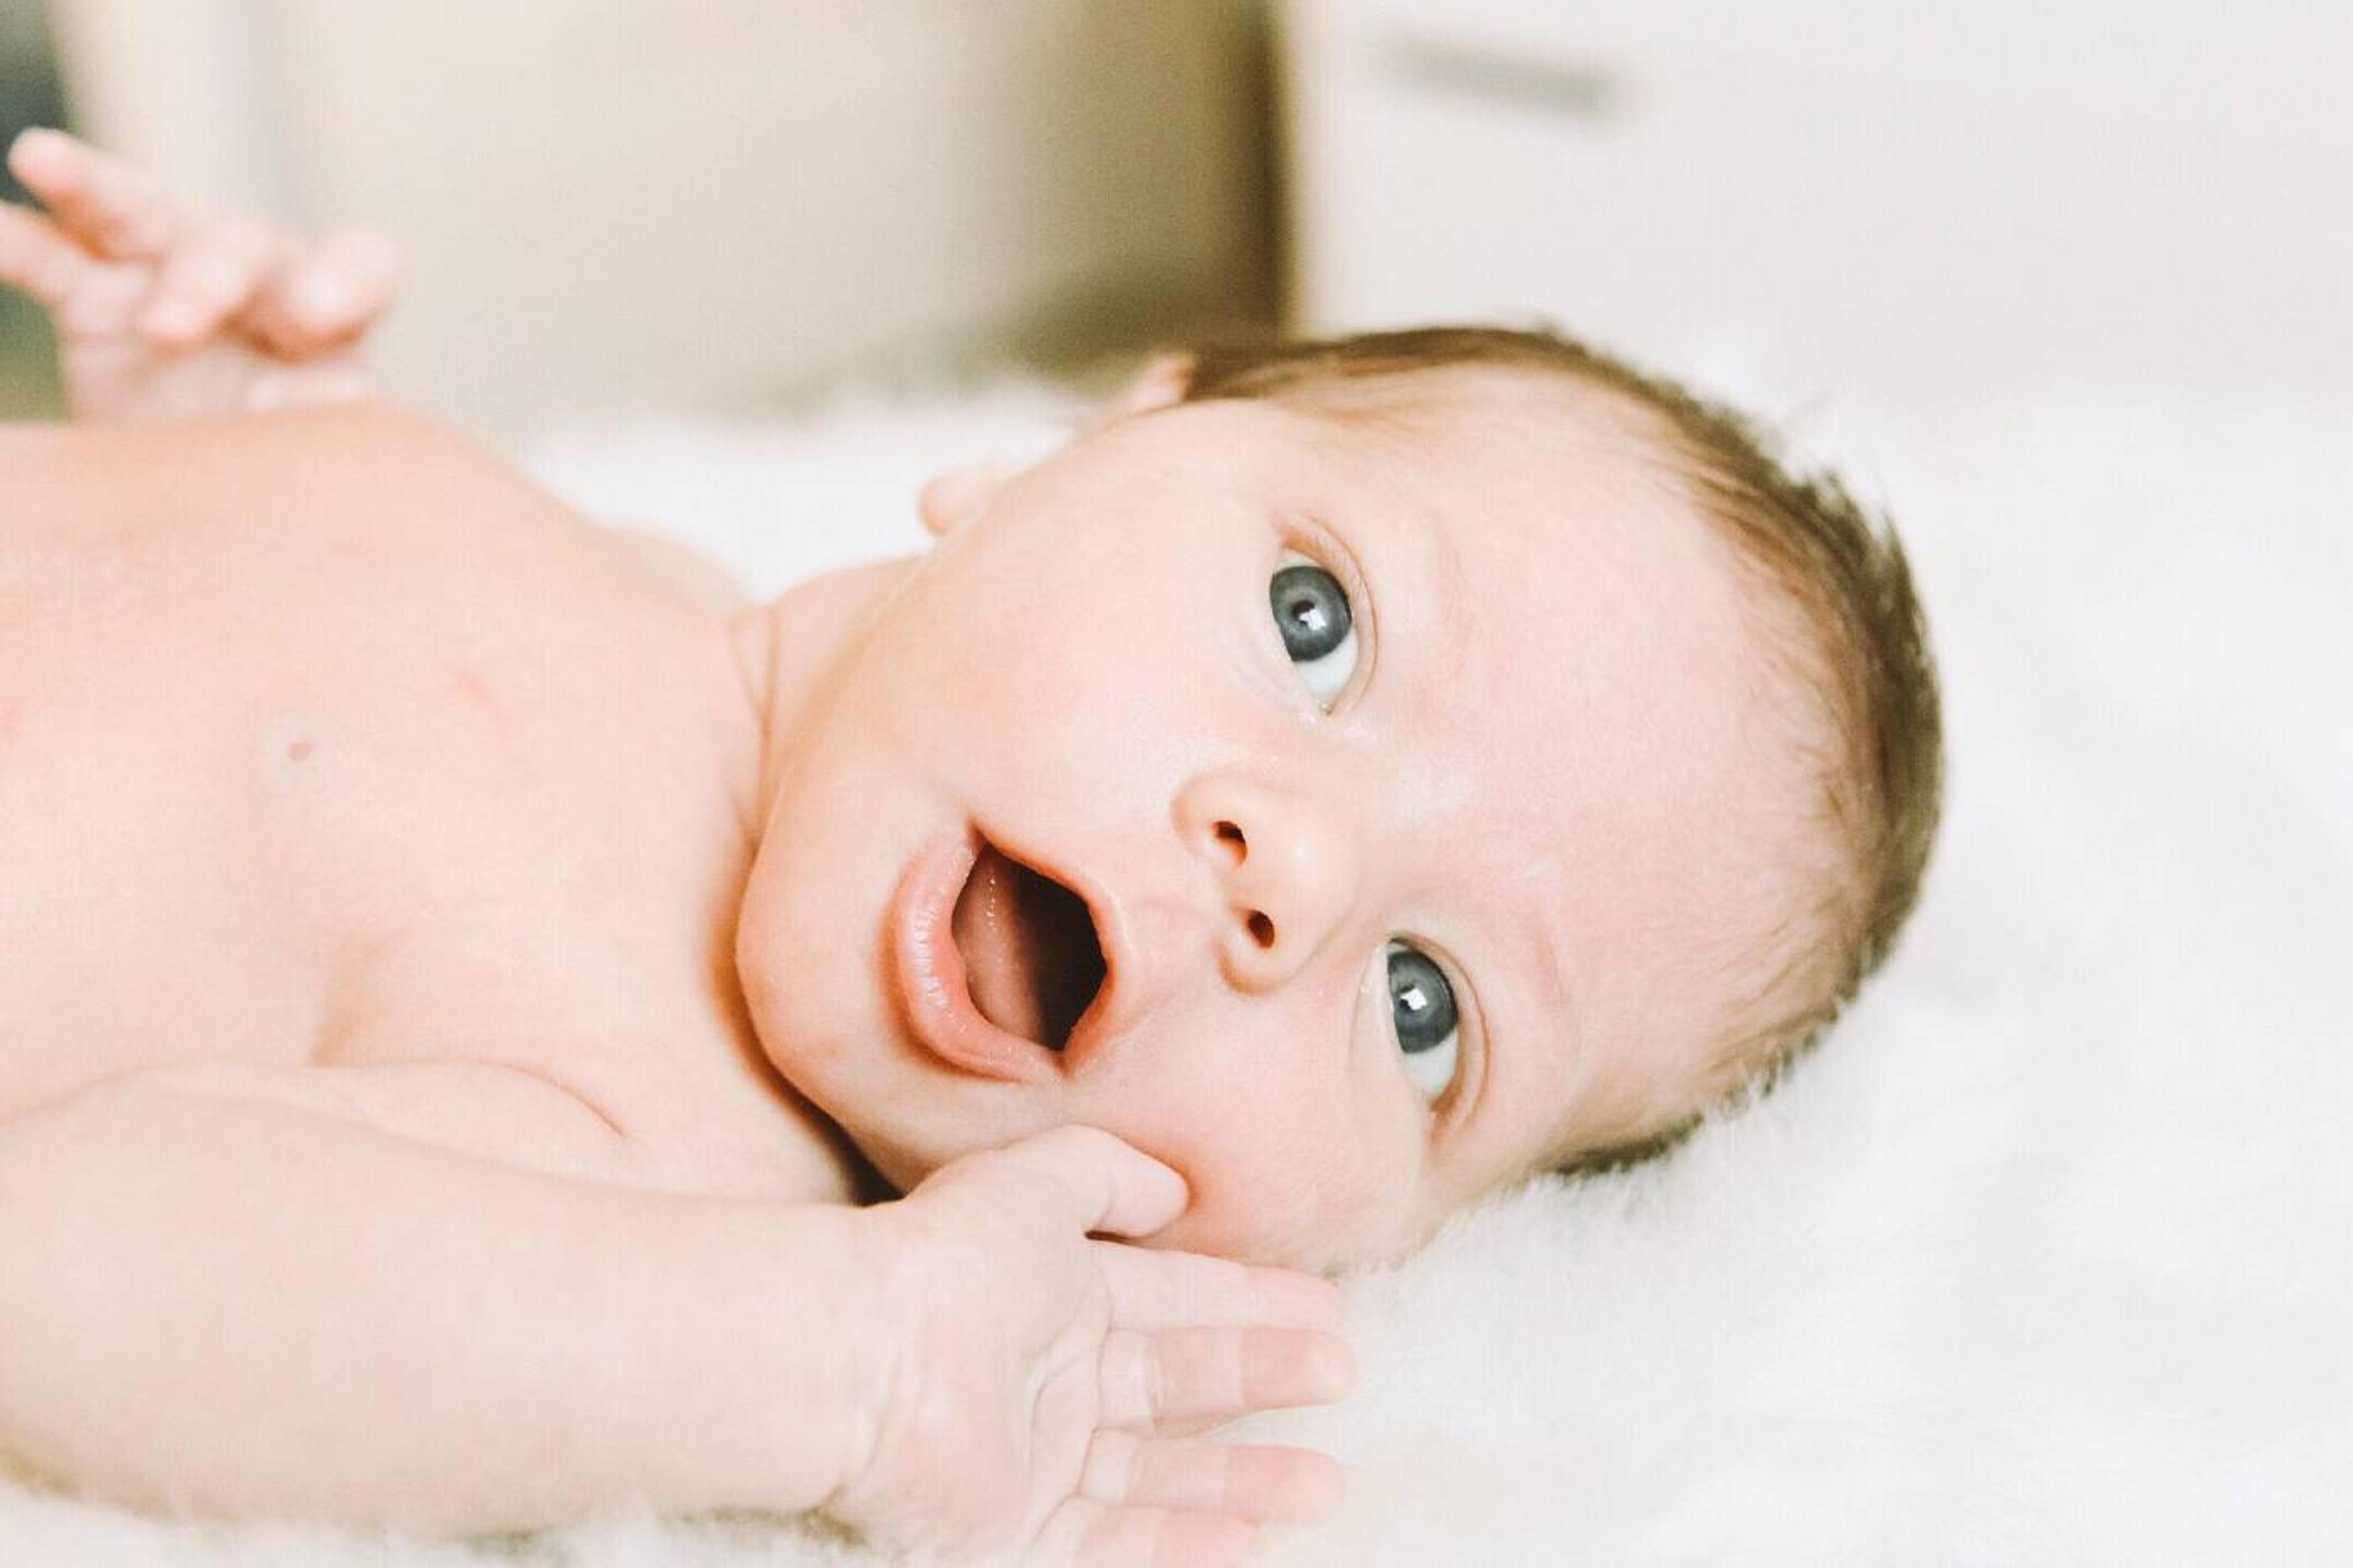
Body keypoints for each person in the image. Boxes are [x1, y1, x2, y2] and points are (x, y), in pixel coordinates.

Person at [0, 129, 1941, 1561]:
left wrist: (848, 1370)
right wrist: (236, 442)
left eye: (1426, 1010)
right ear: (1073, 452)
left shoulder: (666, 1151)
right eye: (1314, 626)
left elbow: (77, 1273)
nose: (1299, 880)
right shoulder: (650, 587)